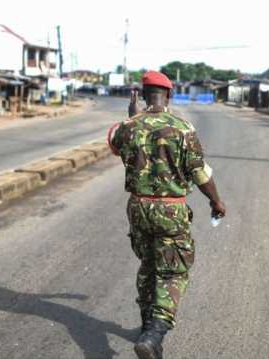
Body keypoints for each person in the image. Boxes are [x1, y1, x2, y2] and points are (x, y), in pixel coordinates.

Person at [109, 70, 226, 359]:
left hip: (138, 207)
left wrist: (131, 117)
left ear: (142, 95)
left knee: (148, 265)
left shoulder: (129, 126)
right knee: (173, 271)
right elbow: (199, 173)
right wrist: (216, 202)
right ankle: (155, 333)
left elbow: (115, 145)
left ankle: (147, 330)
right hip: (170, 209)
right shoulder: (183, 128)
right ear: (170, 95)